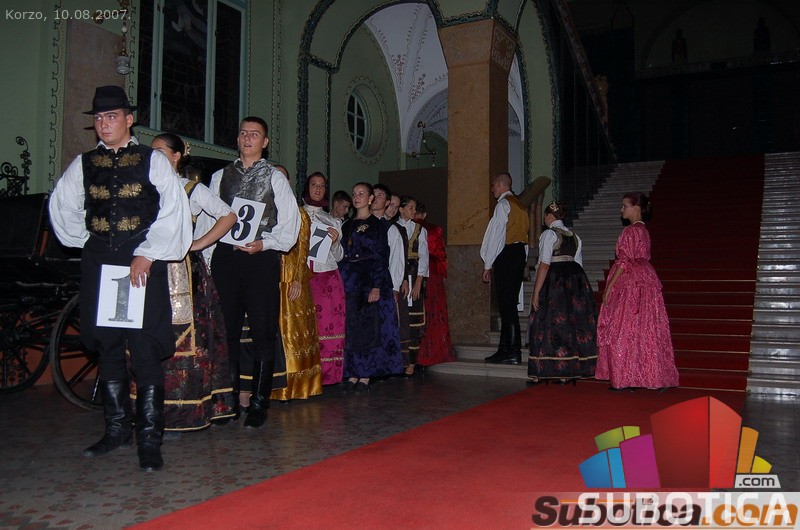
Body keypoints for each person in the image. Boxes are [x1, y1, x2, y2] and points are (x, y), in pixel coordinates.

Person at [49, 85, 192, 471]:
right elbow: (62, 205)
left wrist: (148, 252)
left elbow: (174, 208)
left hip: (141, 260)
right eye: (98, 118)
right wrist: (89, 241)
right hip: (101, 261)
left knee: (143, 348)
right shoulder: (84, 163)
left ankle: (149, 438)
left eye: (111, 116)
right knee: (108, 345)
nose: (104, 124)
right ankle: (116, 431)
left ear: (129, 120)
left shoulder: (152, 160)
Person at [203, 116, 300, 427]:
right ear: (237, 139)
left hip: (261, 259)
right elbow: (207, 221)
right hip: (226, 259)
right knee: (226, 331)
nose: (247, 138)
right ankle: (227, 400)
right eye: (243, 133)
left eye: (254, 134)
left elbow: (290, 224)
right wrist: (207, 259)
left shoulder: (275, 178)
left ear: (265, 142)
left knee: (262, 331)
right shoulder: (219, 176)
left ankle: (259, 402)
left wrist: (265, 243)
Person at [149, 132, 238, 429]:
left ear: (176, 157)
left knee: (184, 339)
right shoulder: (144, 189)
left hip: (182, 272)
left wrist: (197, 244)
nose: (154, 157)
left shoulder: (190, 189)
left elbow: (228, 216)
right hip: (149, 267)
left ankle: (184, 410)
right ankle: (149, 408)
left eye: (161, 152)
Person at [595, 192, 679, 391]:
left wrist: (610, 286)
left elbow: (624, 261)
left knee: (623, 328)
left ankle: (625, 377)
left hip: (630, 282)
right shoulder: (644, 231)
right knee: (645, 328)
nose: (621, 209)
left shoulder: (630, 231)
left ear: (636, 208)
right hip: (646, 278)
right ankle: (649, 375)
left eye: (625, 206)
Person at [339, 183, 403, 392]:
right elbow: (342, 254)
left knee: (368, 328)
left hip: (368, 279)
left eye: (361, 194)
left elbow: (380, 257)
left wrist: (376, 286)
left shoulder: (378, 226)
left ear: (370, 199)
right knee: (351, 327)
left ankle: (365, 374)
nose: (357, 197)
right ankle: (352, 373)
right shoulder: (346, 225)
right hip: (349, 279)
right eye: (354, 194)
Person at [527, 202, 597, 385]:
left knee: (548, 324)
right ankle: (569, 369)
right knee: (570, 325)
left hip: (554, 283)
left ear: (549, 216)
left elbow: (544, 264)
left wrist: (536, 291)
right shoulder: (575, 237)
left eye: (545, 216)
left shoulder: (549, 234)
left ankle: (544, 368)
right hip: (574, 284)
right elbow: (578, 264)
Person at [270, 167, 322, 401]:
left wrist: (298, 279)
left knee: (292, 331)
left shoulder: (299, 213)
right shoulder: (265, 210)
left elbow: (303, 249)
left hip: (292, 278)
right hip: (268, 277)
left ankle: (294, 386)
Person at [301, 172, 346, 386]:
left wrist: (336, 242)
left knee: (327, 325)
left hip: (327, 277)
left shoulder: (332, 220)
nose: (317, 189)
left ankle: (327, 375)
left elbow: (339, 256)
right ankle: (302, 375)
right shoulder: (297, 214)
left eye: (321, 185)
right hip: (301, 277)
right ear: (307, 187)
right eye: (313, 184)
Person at [480, 172, 529, 365]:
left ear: (501, 185)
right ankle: (505, 350)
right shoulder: (521, 206)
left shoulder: (503, 205)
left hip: (506, 254)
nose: (492, 188)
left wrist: (488, 264)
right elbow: (525, 238)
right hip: (518, 255)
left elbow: (496, 236)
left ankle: (512, 351)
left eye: (494, 185)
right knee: (509, 306)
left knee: (506, 306)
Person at [371, 184, 409, 368]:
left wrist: (394, 287)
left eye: (381, 195)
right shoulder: (357, 224)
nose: (376, 198)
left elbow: (397, 260)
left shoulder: (390, 229)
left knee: (382, 326)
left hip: (382, 283)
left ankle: (381, 365)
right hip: (361, 283)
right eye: (374, 194)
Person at [414, 202, 456, 367]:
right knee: (434, 311)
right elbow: (440, 254)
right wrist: (443, 274)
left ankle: (417, 353)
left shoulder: (410, 228)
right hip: (433, 272)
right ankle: (434, 350)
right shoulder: (433, 229)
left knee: (420, 310)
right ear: (424, 214)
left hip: (415, 271)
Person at [397, 195, 429, 376]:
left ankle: (411, 362)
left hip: (413, 274)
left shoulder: (419, 230)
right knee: (401, 319)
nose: (413, 211)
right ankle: (399, 361)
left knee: (414, 320)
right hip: (398, 275)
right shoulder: (393, 227)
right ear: (401, 209)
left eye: (415, 208)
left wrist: (418, 282)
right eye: (410, 207)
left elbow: (424, 256)